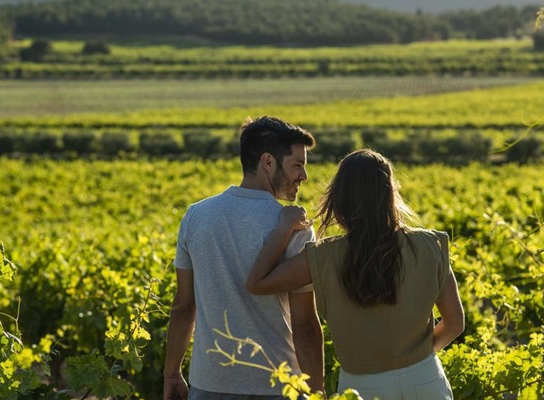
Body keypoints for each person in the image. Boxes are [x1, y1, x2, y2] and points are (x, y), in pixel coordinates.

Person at [246, 149, 464, 400]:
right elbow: (455, 323)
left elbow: (258, 282)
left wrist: (284, 228)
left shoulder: (324, 256)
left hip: (361, 387)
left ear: (340, 197)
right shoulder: (430, 246)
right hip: (425, 379)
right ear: (390, 194)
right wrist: (416, 357)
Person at [164, 116, 325, 400]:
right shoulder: (295, 226)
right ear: (268, 162)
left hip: (208, 384)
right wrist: (316, 391)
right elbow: (304, 324)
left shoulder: (196, 216)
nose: (304, 176)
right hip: (279, 386)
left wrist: (172, 373)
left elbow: (183, 305)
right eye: (297, 165)